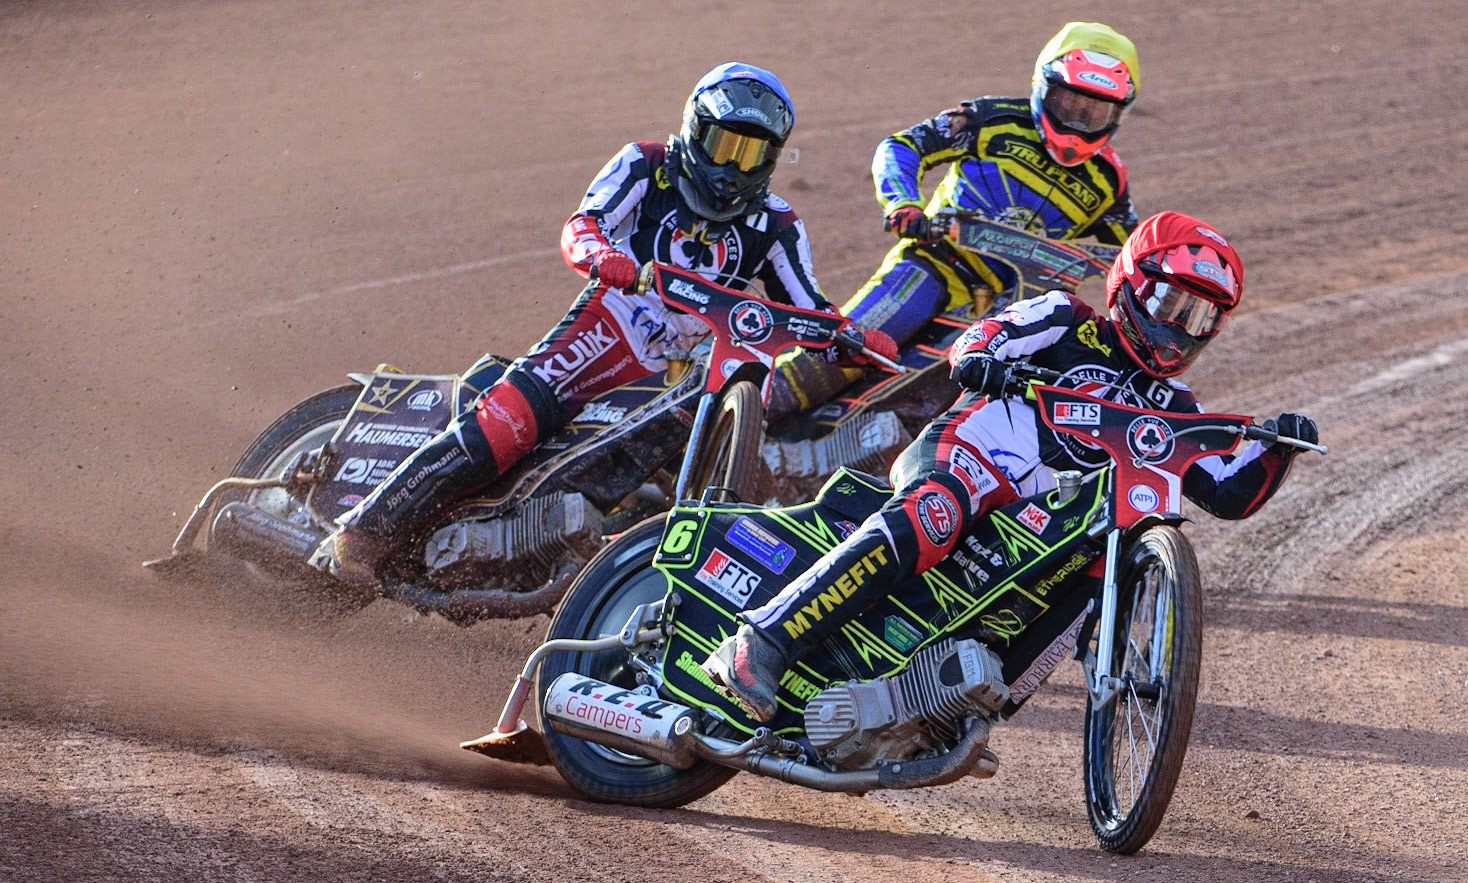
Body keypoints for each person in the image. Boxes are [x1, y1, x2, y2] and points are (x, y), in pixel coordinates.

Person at [706, 211, 1320, 723]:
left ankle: (942, 709)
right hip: (974, 457)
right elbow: (979, 338)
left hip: (1041, 529)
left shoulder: (1178, 409)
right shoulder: (1065, 318)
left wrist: (1277, 447)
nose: (1180, 331)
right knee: (935, 514)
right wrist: (985, 361)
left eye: (1201, 318)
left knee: (1097, 567)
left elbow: (1227, 491)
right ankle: (761, 639)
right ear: (1129, 284)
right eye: (1171, 304)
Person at [315, 62, 883, 585]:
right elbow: (583, 223)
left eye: (752, 153)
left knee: (744, 487)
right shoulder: (646, 164)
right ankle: (360, 535)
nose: (735, 166)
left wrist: (850, 338)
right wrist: (601, 257)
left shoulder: (776, 223)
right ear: (693, 130)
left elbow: (807, 307)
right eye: (724, 144)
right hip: (608, 326)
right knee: (508, 425)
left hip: (683, 368)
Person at [768, 21, 1143, 420]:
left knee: (960, 408)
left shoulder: (1109, 179)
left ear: (1118, 114)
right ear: (1044, 86)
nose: (1080, 121)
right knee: (840, 353)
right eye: (1071, 103)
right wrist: (903, 204)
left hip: (1006, 306)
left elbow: (1131, 252)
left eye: (1096, 111)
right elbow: (902, 145)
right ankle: (732, 418)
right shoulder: (990, 119)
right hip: (933, 264)